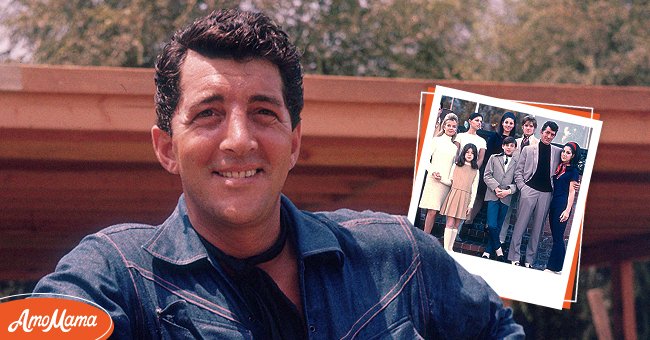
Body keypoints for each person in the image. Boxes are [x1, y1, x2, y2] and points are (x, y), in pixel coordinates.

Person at [33, 9, 524, 338]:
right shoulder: (118, 273)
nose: (239, 139)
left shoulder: (395, 254)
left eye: (264, 112)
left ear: (293, 144)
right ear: (166, 148)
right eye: (208, 113)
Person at [508, 121, 562, 268]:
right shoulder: (528, 149)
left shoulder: (557, 151)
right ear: (541, 132)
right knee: (520, 225)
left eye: (552, 134)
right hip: (529, 191)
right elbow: (518, 171)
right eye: (547, 133)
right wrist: (523, 188)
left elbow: (569, 163)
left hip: (546, 194)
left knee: (537, 230)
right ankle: (514, 257)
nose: (549, 136)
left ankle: (529, 260)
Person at [500, 115, 539, 244]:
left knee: (521, 216)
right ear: (522, 127)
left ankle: (514, 245)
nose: (528, 128)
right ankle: (500, 241)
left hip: (527, 184)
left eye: (531, 126)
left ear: (535, 128)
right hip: (511, 182)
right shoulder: (514, 142)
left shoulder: (537, 144)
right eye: (526, 125)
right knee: (506, 212)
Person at [419, 113, 459, 235]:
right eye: (449, 125)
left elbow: (454, 166)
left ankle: (427, 236)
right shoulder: (436, 140)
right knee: (432, 210)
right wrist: (432, 171)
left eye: (454, 126)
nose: (451, 128)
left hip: (445, 183)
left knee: (436, 212)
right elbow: (425, 159)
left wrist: (450, 180)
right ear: (444, 126)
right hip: (434, 179)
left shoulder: (455, 147)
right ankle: (425, 237)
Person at [545, 142, 580, 274]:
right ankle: (558, 268)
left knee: (559, 237)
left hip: (562, 204)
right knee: (556, 237)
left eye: (568, 152)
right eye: (563, 151)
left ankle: (553, 267)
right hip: (554, 202)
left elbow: (572, 192)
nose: (564, 154)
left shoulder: (573, 171)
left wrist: (567, 210)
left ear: (573, 156)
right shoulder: (559, 167)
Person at [482, 137, 518, 262]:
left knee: (498, 226)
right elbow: (487, 175)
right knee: (491, 225)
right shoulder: (494, 158)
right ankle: (499, 252)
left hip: (506, 198)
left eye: (512, 145)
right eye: (507, 145)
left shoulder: (517, 162)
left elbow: (517, 182)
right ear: (503, 146)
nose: (509, 147)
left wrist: (508, 191)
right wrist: (496, 188)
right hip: (493, 195)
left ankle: (487, 251)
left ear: (515, 148)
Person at [439, 143, 480, 251]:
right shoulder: (456, 165)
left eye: (472, 153)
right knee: (450, 222)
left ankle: (450, 248)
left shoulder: (476, 170)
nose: (469, 154)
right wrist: (440, 179)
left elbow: (474, 189)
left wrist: (470, 205)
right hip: (454, 195)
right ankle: (445, 249)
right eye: (467, 152)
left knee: (457, 224)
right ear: (463, 153)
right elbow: (450, 181)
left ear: (475, 155)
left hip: (465, 198)